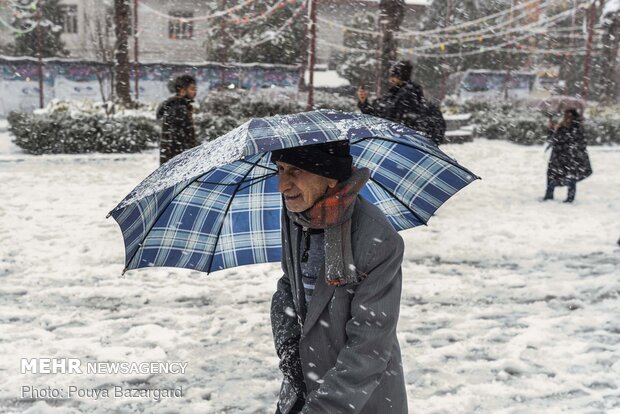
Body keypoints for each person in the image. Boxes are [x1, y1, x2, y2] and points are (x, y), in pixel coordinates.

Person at [270, 141, 408, 414]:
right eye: (280, 169)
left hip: (358, 398)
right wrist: (288, 349)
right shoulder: (297, 215)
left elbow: (369, 345)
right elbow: (288, 285)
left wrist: (323, 407)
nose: (282, 185)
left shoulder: (377, 239)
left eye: (295, 171)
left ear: (331, 176)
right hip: (302, 387)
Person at [357, 60, 445, 145]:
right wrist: (364, 102)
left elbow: (386, 118)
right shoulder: (395, 94)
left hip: (401, 141)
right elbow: (380, 116)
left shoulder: (405, 94)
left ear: (401, 77)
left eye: (394, 76)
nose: (390, 79)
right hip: (403, 141)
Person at [543, 108, 592, 203]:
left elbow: (577, 141)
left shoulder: (576, 127)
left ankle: (570, 197)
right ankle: (549, 195)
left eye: (568, 116)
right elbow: (553, 139)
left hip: (570, 157)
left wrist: (560, 132)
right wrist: (551, 130)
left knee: (570, 177)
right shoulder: (561, 126)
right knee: (552, 175)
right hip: (558, 156)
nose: (566, 118)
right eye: (565, 115)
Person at [156, 74, 199, 165]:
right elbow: (178, 139)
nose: (195, 92)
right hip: (177, 160)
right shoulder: (178, 109)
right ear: (182, 91)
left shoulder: (177, 106)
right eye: (192, 89)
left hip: (172, 159)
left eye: (195, 89)